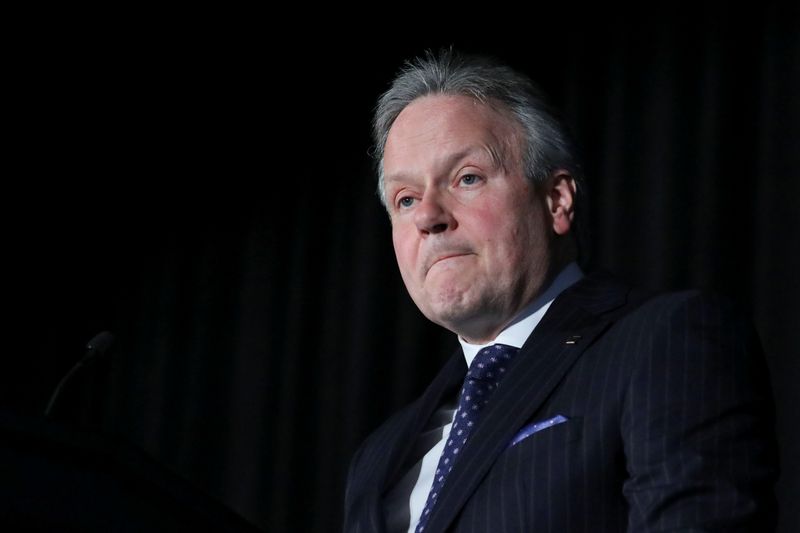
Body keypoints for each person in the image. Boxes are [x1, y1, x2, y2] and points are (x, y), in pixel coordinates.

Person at [343, 48, 778, 533]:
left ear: (556, 199)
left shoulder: (663, 344)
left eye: (467, 178)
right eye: (406, 199)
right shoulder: (379, 456)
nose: (428, 216)